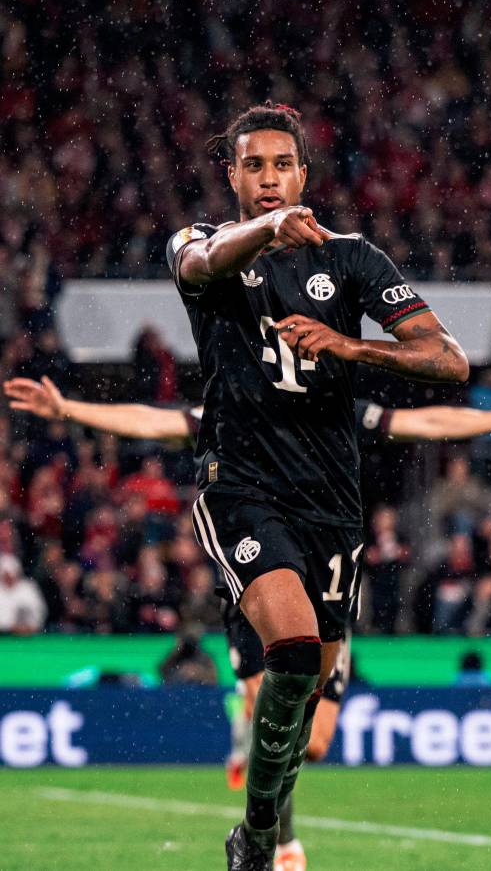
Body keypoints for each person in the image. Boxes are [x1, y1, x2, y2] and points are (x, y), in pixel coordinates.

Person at [4, 369, 491, 871]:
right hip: (255, 586)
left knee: (315, 739)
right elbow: (154, 422)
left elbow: (422, 423)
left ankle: (257, 773)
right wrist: (68, 409)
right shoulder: (234, 405)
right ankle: (281, 841)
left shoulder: (335, 409)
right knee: (270, 704)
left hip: (325, 585)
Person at [169, 102, 469, 871]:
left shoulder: (355, 260)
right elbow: (204, 265)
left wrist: (348, 346)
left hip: (333, 503)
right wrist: (267, 232)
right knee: (294, 653)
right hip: (239, 485)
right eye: (253, 166)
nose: (269, 180)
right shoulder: (201, 245)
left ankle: (261, 827)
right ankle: (264, 834)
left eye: (282, 165)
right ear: (231, 174)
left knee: (308, 692)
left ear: (303, 173)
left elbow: (448, 360)